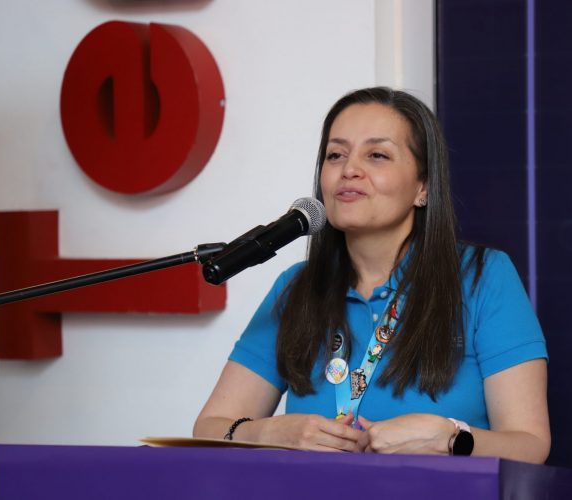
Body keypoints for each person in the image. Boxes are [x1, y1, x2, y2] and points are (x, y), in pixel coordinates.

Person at [194, 87, 550, 463]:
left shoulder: (483, 276)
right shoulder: (297, 286)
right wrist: (268, 433)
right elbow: (209, 427)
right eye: (336, 155)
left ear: (423, 187)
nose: (349, 170)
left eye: (377, 155)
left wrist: (451, 439)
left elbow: (530, 446)